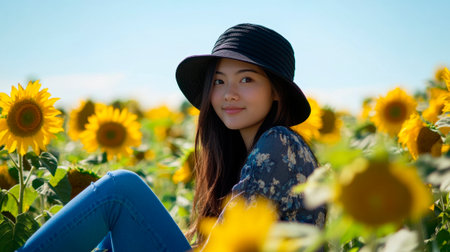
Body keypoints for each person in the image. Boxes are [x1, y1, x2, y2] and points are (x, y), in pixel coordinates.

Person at [18, 23, 325, 252]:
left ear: (276, 92)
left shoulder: (280, 142)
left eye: (246, 79)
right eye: (219, 81)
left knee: (120, 190)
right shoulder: (249, 154)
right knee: (115, 237)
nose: (229, 94)